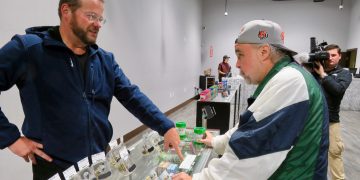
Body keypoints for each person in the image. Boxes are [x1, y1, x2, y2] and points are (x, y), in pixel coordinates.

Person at [0, 0, 182, 179]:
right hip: (55, 169)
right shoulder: (30, 49)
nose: (97, 24)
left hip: (99, 164)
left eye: (100, 18)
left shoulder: (104, 60)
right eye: (91, 16)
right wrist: (11, 138)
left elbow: (131, 95)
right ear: (66, 11)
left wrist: (165, 126)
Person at [172, 20, 329, 180]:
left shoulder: (290, 80)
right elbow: (250, 127)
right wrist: (216, 142)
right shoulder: (285, 76)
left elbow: (248, 155)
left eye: (240, 54)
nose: (237, 64)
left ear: (264, 52)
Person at [312, 44, 352, 180]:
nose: (330, 58)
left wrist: (323, 74)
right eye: (328, 55)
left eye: (334, 55)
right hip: (312, 119)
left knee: (335, 153)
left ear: (340, 56)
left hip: (331, 120)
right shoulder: (314, 70)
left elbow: (338, 90)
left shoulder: (344, 74)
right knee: (311, 152)